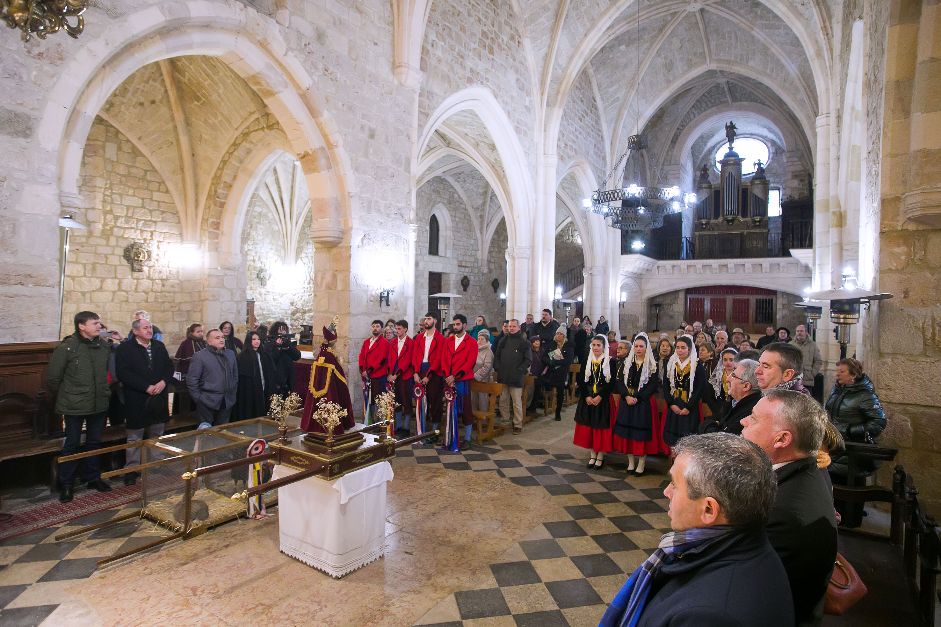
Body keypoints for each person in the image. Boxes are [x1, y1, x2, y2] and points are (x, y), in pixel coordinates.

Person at [600, 432, 794, 627]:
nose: (666, 492)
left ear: (709, 510)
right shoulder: (745, 542)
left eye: (675, 485)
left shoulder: (705, 616)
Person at [741, 390, 837, 625]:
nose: (743, 421)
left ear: (782, 439)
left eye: (753, 418)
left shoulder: (784, 514)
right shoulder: (803, 471)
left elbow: (744, 584)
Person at [47, 311, 114, 502]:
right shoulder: (68, 347)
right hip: (74, 404)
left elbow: (105, 373)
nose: (99, 326)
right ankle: (67, 484)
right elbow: (53, 378)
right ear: (81, 326)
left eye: (99, 323)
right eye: (94, 323)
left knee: (94, 442)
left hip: (98, 403)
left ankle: (93, 477)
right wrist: (68, 395)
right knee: (72, 444)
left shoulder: (103, 346)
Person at [826, 358, 888, 527]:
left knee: (850, 490)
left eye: (842, 371)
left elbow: (878, 422)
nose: (837, 374)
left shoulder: (865, 395)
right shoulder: (838, 390)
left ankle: (850, 525)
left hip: (852, 452)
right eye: (837, 370)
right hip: (835, 448)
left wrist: (849, 431)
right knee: (833, 487)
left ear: (853, 375)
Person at [116, 318, 173, 486]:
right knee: (135, 437)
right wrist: (145, 386)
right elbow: (123, 373)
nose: (150, 330)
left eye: (150, 327)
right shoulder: (125, 349)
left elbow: (169, 367)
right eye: (145, 327)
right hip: (137, 397)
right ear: (135, 331)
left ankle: (157, 463)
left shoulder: (158, 346)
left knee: (157, 432)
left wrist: (163, 382)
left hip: (158, 396)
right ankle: (132, 469)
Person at [612, 333, 662, 475]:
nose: (638, 349)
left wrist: (637, 398)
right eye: (636, 346)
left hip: (643, 402)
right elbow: (620, 382)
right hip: (627, 401)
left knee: (640, 436)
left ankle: (641, 463)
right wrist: (627, 396)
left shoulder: (652, 365)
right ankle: (630, 462)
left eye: (641, 346)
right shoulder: (626, 363)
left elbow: (652, 386)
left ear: (646, 348)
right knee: (627, 433)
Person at [300, 317, 356, 434]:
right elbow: (338, 372)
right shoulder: (329, 355)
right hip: (331, 388)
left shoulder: (322, 352)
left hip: (318, 387)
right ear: (332, 341)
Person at [573, 334, 613, 469]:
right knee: (590, 427)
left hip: (602, 400)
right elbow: (581, 380)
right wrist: (587, 397)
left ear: (603, 347)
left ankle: (600, 455)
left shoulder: (610, 361)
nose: (595, 347)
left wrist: (600, 396)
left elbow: (611, 383)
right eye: (593, 345)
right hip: (588, 399)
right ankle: (592, 454)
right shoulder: (587, 360)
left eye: (598, 345)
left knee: (600, 428)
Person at [187, 328, 238, 429]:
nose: (221, 340)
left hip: (227, 401)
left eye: (222, 337)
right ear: (209, 341)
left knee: (223, 432)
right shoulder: (200, 356)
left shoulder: (230, 354)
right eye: (217, 338)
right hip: (207, 401)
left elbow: (235, 375)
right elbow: (192, 380)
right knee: (206, 434)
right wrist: (199, 399)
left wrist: (232, 392)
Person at [663, 335, 707, 447]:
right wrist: (671, 404)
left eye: (683, 347)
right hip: (675, 404)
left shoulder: (697, 366)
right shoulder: (671, 364)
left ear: (690, 349)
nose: (680, 350)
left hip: (689, 406)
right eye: (677, 347)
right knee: (673, 440)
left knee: (688, 439)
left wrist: (689, 407)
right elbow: (666, 385)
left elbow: (700, 388)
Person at [442, 314, 477, 449]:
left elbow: (470, 362)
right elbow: (444, 359)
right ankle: (450, 435)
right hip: (449, 380)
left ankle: (467, 438)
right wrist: (447, 375)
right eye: (454, 324)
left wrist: (455, 376)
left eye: (458, 324)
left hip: (462, 380)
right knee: (451, 408)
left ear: (464, 325)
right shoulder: (448, 341)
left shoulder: (471, 342)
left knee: (466, 408)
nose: (455, 327)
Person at [700, 358, 761, 435]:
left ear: (746, 386)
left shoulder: (751, 411)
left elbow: (723, 439)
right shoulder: (733, 400)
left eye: (733, 375)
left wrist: (707, 425)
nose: (727, 379)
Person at [411, 313, 446, 438]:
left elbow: (439, 359)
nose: (426, 321)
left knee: (434, 401)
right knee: (420, 401)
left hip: (434, 372)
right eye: (425, 318)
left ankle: (435, 431)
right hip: (420, 370)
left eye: (429, 319)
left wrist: (428, 375)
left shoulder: (440, 338)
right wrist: (415, 372)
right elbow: (414, 356)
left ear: (435, 321)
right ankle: (422, 429)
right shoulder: (419, 337)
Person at [493, 319, 531, 435]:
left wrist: (520, 370)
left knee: (516, 402)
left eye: (514, 326)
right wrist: (498, 367)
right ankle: (505, 420)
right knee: (503, 400)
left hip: (516, 376)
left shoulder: (524, 342)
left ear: (519, 328)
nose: (511, 328)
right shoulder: (503, 340)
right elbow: (497, 356)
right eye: (510, 326)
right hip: (503, 375)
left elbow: (528, 359)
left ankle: (518, 424)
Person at [234, 331, 275, 421]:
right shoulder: (242, 357)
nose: (257, 341)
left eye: (258, 339)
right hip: (249, 392)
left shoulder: (265, 355)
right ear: (249, 341)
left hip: (264, 389)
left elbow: (270, 373)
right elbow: (242, 378)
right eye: (254, 339)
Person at [358, 319, 394, 422]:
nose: (375, 328)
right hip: (367, 376)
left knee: (378, 399)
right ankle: (369, 420)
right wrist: (362, 370)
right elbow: (361, 356)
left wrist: (368, 371)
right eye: (373, 326)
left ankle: (379, 422)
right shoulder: (366, 342)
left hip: (378, 375)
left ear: (381, 329)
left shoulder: (384, 342)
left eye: (377, 326)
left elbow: (381, 360)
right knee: (369, 400)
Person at [388, 320, 415, 437]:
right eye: (396, 329)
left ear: (405, 329)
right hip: (394, 376)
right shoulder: (393, 342)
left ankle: (406, 427)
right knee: (397, 402)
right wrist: (390, 373)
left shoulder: (411, 343)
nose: (397, 331)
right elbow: (390, 359)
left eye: (399, 329)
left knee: (406, 401)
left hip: (405, 376)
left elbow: (408, 361)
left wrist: (396, 374)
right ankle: (398, 426)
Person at [264, 320, 301, 397]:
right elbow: (271, 359)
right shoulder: (269, 343)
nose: (283, 332)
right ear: (275, 331)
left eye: (285, 330)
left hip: (288, 378)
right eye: (281, 330)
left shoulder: (288, 342)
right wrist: (277, 346)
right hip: (275, 379)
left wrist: (288, 346)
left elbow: (297, 356)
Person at [544, 329, 573, 421]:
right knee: (543, 384)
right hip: (551, 371)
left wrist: (555, 362)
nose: (558, 335)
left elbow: (568, 360)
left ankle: (558, 412)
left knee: (560, 392)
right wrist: (550, 362)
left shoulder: (568, 346)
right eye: (557, 333)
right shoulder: (551, 344)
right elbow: (544, 357)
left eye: (560, 334)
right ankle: (546, 406)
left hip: (562, 372)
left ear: (564, 336)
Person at [790, 324, 823, 400]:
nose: (799, 333)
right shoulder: (791, 344)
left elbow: (818, 361)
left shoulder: (812, 345)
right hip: (793, 379)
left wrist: (812, 373)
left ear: (806, 332)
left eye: (801, 331)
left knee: (807, 402)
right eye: (797, 331)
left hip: (807, 380)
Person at [704, 347, 737, 417]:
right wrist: (717, 411)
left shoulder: (740, 376)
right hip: (719, 409)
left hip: (736, 409)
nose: (728, 362)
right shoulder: (717, 376)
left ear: (736, 361)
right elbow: (710, 396)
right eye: (725, 360)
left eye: (731, 360)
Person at [472, 329, 494, 413]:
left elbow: (487, 366)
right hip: (473, 379)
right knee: (473, 400)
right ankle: (473, 419)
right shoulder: (475, 349)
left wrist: (475, 376)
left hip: (483, 380)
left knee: (482, 401)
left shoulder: (488, 352)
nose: (480, 341)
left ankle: (483, 420)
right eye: (479, 338)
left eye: (482, 339)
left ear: (486, 340)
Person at [525, 336, 546, 413]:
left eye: (538, 341)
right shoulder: (529, 351)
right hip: (531, 375)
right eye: (535, 341)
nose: (537, 342)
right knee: (529, 392)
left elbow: (547, 362)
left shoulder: (543, 351)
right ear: (531, 343)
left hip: (540, 375)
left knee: (537, 391)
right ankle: (527, 407)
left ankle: (533, 408)